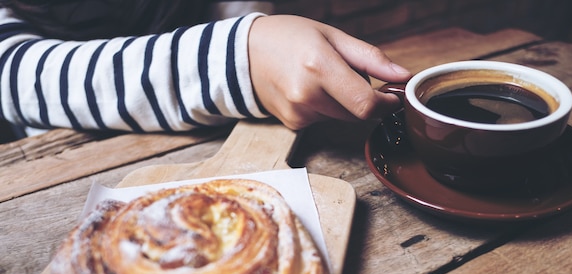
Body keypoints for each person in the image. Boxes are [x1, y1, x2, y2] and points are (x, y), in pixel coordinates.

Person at [0, 0, 411, 141]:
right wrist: (237, 57)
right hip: (59, 165)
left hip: (207, 138)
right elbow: (14, 77)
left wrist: (260, 41)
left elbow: (241, 14)